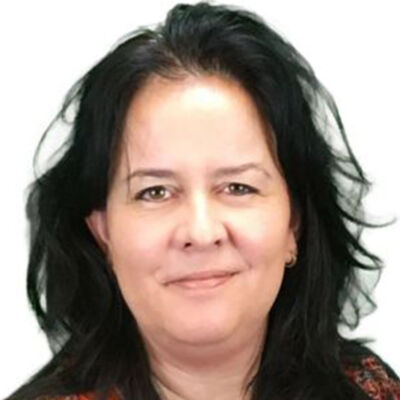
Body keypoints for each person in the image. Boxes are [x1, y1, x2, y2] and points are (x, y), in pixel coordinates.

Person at [5, 2, 399, 400]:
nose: (201, 231)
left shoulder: (370, 390)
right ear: (103, 232)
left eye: (238, 187)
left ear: (293, 224)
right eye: (155, 192)